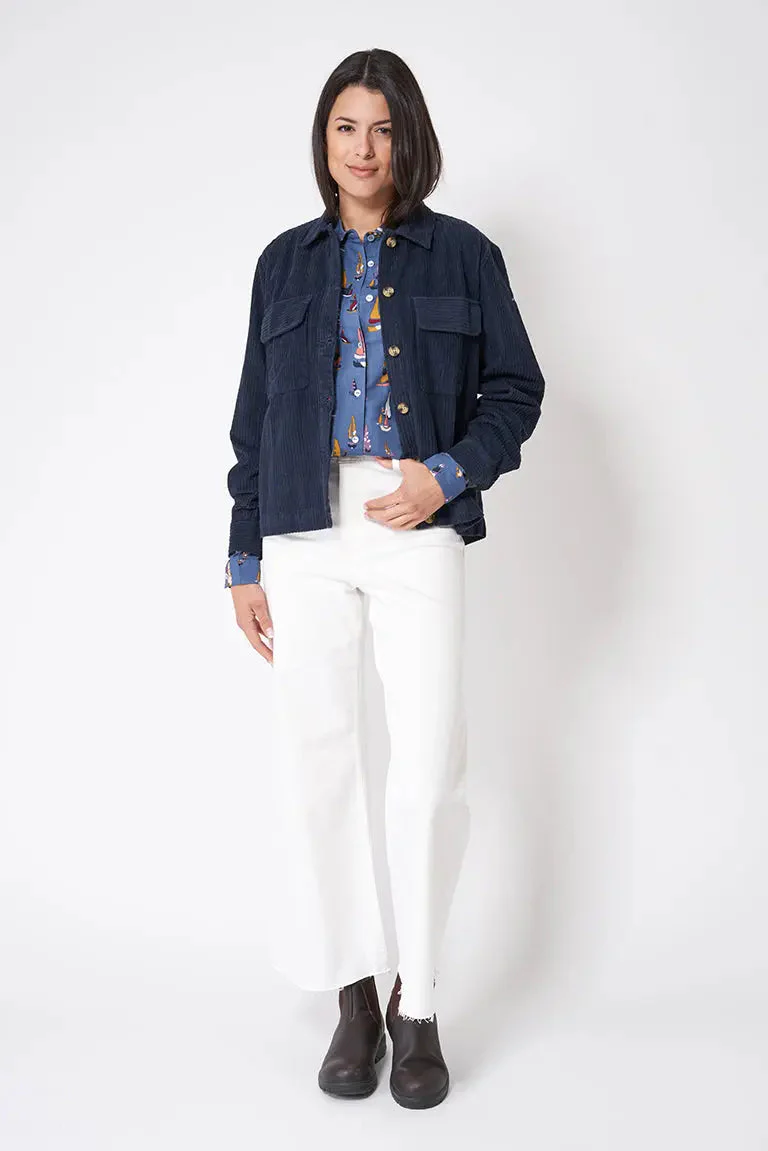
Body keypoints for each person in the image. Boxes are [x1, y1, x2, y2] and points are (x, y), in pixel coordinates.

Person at [224, 48, 545, 1109]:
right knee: (317, 765)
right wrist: (244, 557)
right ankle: (354, 996)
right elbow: (253, 418)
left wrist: (444, 473)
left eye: (384, 128)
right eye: (345, 127)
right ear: (324, 140)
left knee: (429, 770)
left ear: (411, 138)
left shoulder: (465, 254)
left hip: (416, 523)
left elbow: (516, 389)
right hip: (302, 527)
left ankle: (422, 1002)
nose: (364, 149)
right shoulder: (284, 262)